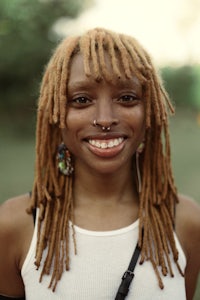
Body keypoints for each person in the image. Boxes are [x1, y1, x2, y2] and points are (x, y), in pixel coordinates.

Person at [0, 27, 199, 300]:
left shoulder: (184, 221)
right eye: (81, 100)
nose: (105, 119)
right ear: (56, 114)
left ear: (149, 112)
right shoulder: (16, 224)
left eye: (126, 98)